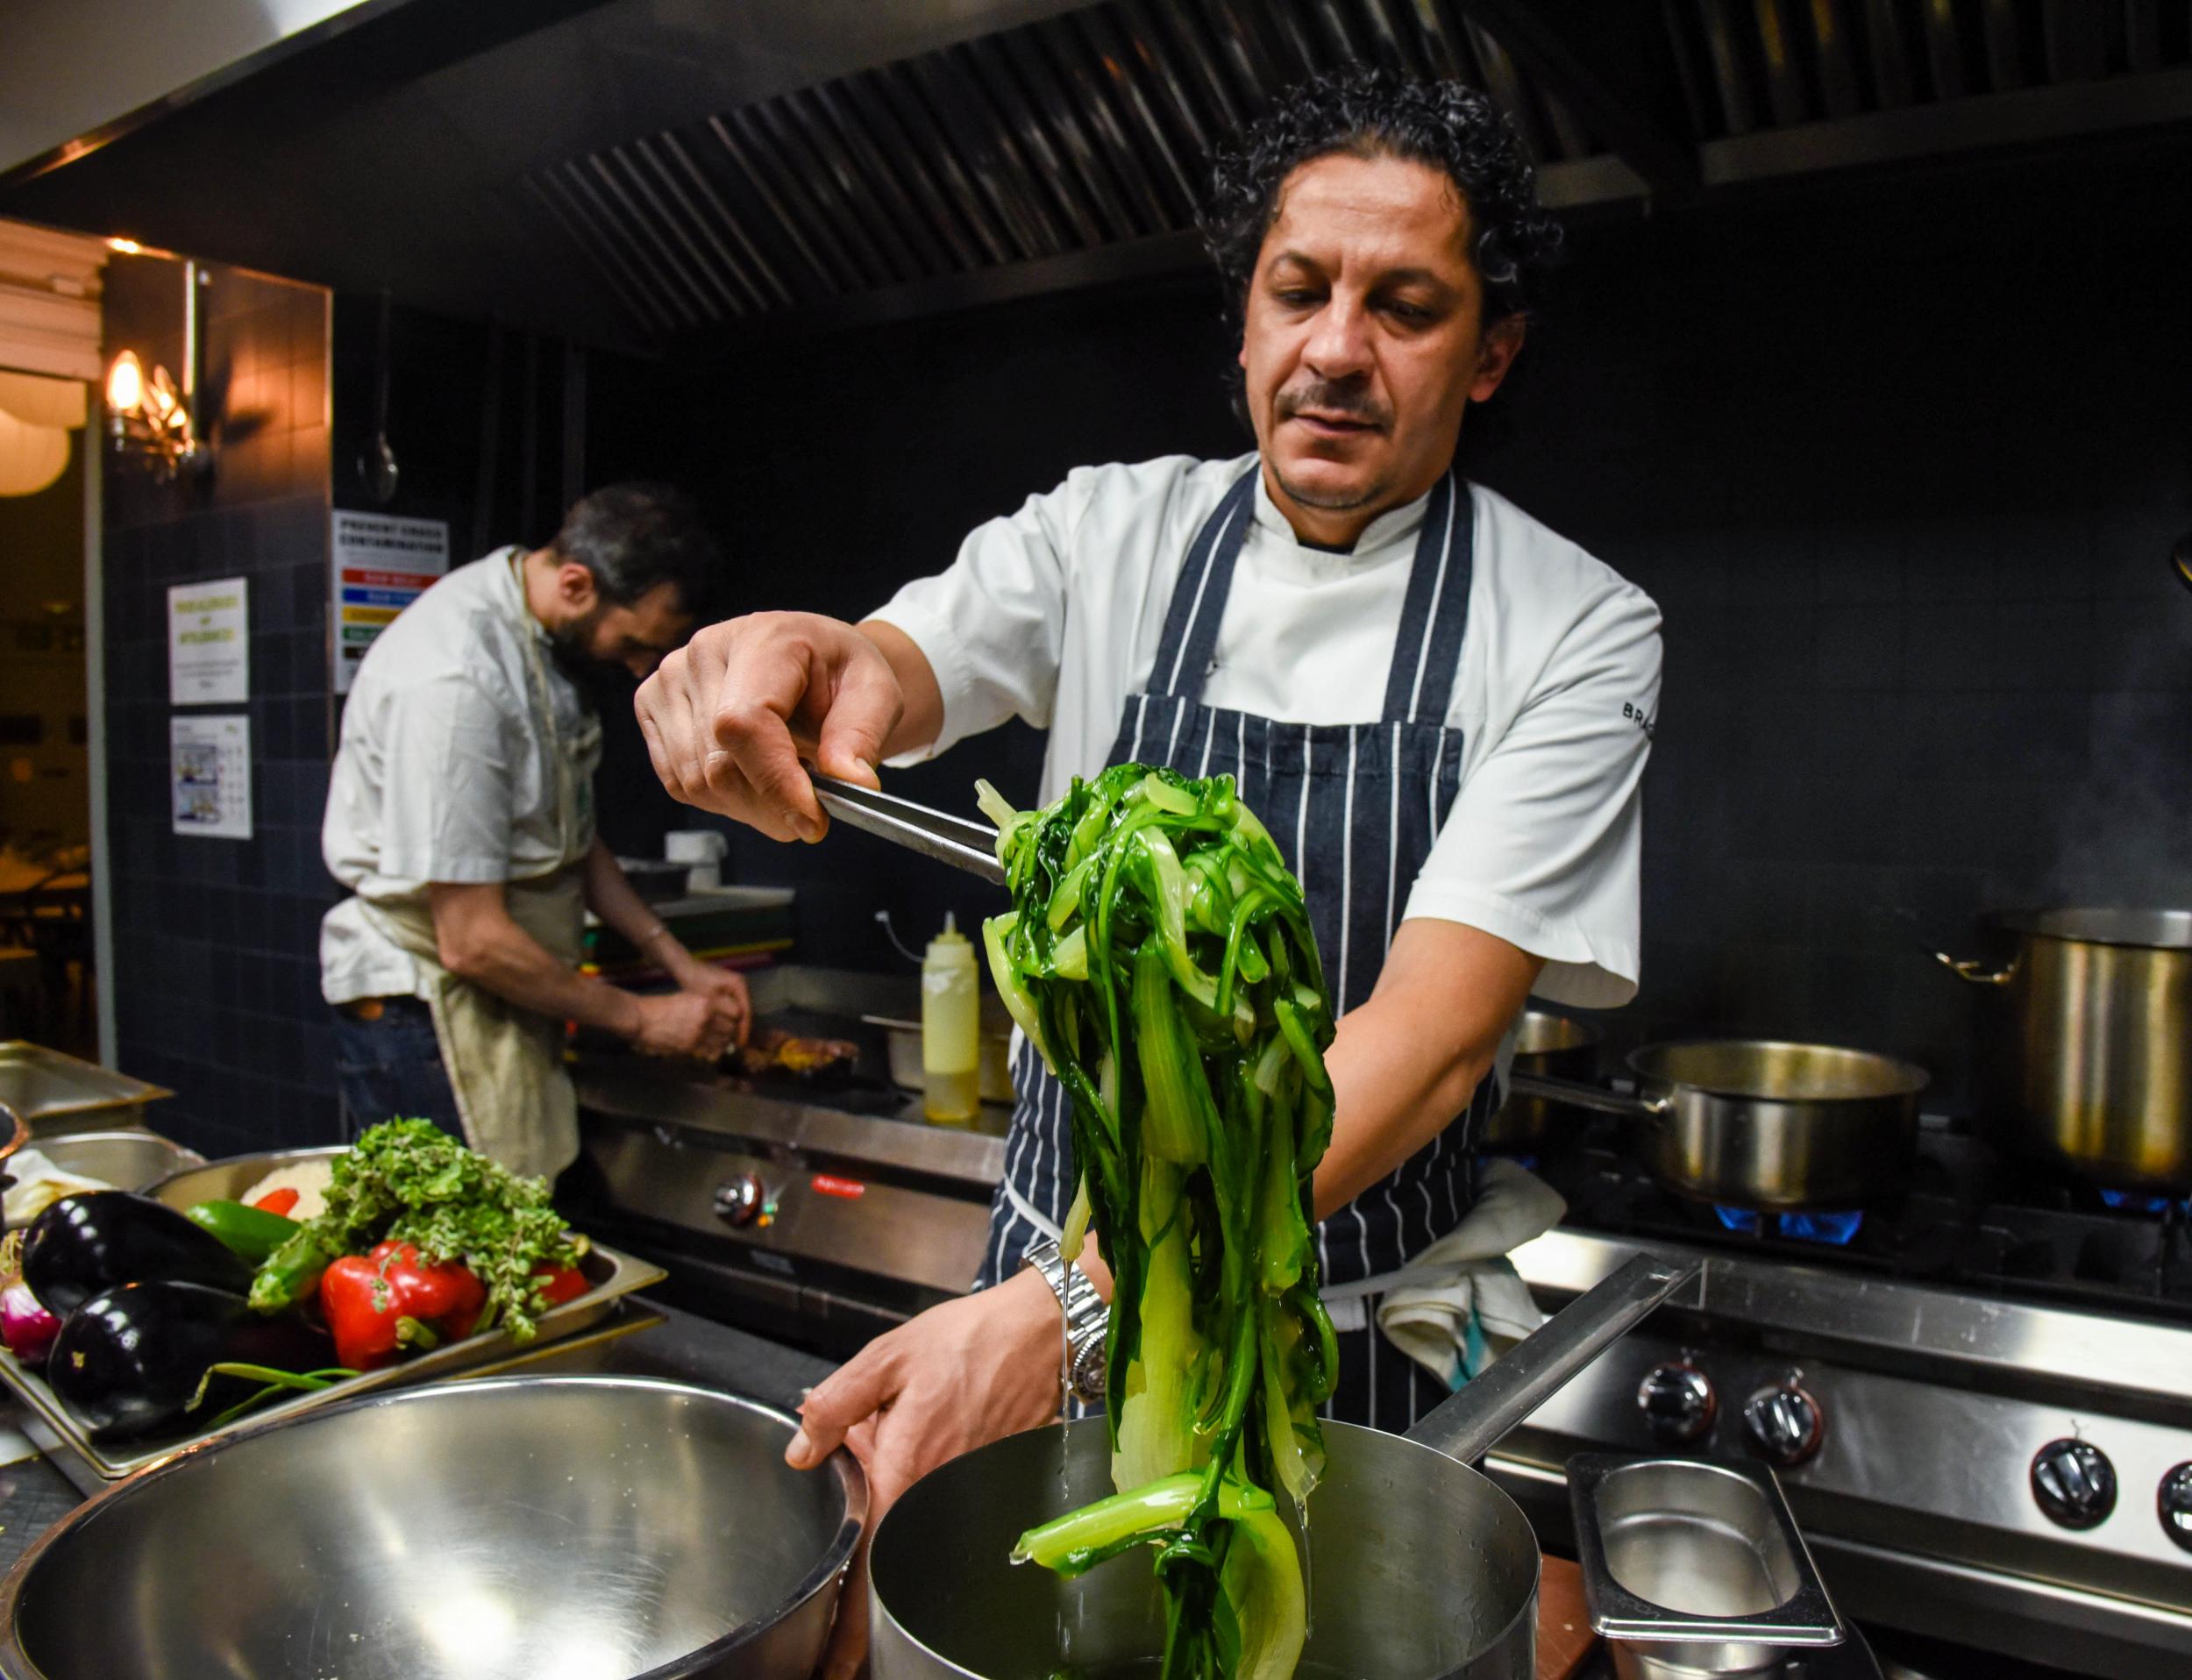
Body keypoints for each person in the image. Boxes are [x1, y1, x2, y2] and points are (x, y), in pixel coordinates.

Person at [637, 70, 1660, 1673]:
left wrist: (1088, 1313)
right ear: (1244, 322)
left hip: (1341, 1359)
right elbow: (890, 668)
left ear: (1492, 352)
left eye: (1405, 306)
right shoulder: (1106, 537)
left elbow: (1433, 1034)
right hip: (1040, 1296)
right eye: (1298, 290)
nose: (1335, 349)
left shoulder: (1576, 626)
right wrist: (795, 660)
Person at [321, 481, 751, 1179]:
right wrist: (645, 1020)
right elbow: (472, 940)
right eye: (637, 644)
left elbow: (570, 841)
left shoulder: (542, 646)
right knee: (459, 1272)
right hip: (424, 1015)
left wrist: (680, 964)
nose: (642, 668)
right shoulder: (458, 679)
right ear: (577, 584)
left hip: (503, 1003)